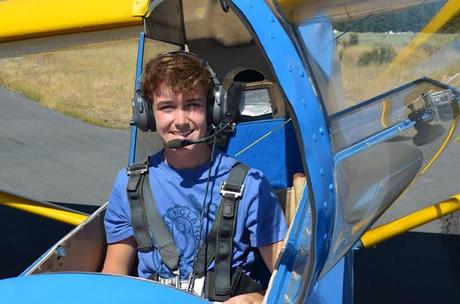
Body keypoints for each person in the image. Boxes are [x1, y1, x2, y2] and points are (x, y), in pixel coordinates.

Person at [102, 52, 287, 304]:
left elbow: (289, 283)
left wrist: (258, 298)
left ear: (213, 110)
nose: (181, 121)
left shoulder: (250, 186)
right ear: (147, 114)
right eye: (167, 107)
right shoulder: (130, 185)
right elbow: (112, 280)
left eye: (193, 105)